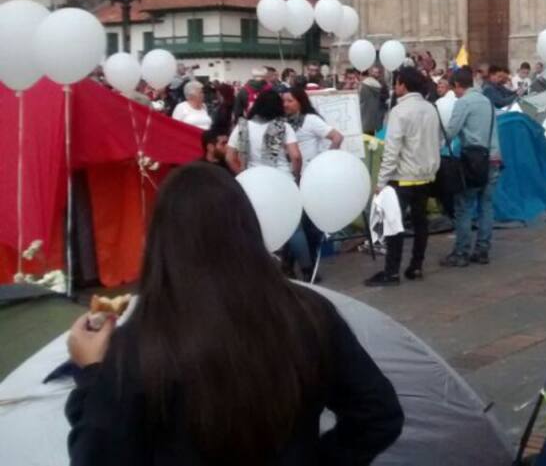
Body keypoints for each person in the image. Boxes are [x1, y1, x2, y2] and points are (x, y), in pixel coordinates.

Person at [65, 163, 404, 465]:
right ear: (247, 227)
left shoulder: (138, 346)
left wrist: (93, 377)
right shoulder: (309, 313)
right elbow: (378, 413)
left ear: (160, 242)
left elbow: (98, 454)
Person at [366, 67, 441, 286]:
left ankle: (392, 272)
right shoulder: (430, 109)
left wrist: (380, 181)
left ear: (404, 85)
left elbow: (392, 149)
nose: (395, 87)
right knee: (420, 222)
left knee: (394, 224)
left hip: (403, 176)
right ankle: (416, 266)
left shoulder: (400, 111)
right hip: (425, 175)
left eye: (396, 83)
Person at [442, 67, 503, 267]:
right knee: (486, 205)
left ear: (458, 85)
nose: (455, 93)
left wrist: (438, 143)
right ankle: (482, 249)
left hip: (472, 161)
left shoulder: (464, 102)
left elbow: (451, 131)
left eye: (454, 89)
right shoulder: (487, 101)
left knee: (464, 206)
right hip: (493, 158)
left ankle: (461, 252)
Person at [283, 87, 345, 279]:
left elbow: (337, 136)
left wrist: (325, 161)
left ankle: (307, 265)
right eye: (284, 101)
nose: (286, 105)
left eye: (290, 101)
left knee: (309, 226)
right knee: (292, 224)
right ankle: (290, 265)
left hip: (309, 178)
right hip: (290, 176)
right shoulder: (282, 123)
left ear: (300, 101)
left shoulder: (310, 120)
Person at [226, 90, 302, 179]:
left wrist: (242, 175)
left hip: (253, 177)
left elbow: (229, 158)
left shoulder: (242, 126)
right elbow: (296, 156)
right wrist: (296, 175)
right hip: (281, 177)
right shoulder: (283, 126)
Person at [359, 65, 387, 137]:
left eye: (376, 72)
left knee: (367, 143)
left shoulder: (363, 86)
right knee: (378, 142)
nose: (375, 74)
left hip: (365, 119)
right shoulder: (381, 85)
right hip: (378, 118)